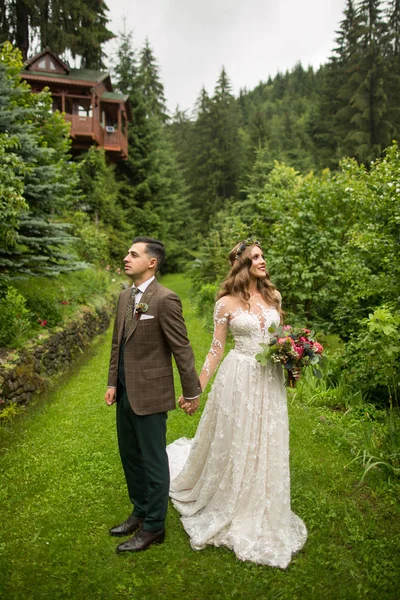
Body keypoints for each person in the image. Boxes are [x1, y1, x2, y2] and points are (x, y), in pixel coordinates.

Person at [167, 240, 307, 568]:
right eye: (255, 256)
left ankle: (260, 500)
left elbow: (280, 337)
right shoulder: (226, 303)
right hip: (238, 377)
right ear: (242, 264)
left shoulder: (274, 297)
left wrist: (293, 359)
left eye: (262, 255)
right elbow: (216, 349)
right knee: (236, 439)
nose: (262, 260)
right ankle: (228, 498)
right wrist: (195, 389)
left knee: (265, 441)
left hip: (269, 382)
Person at [105, 237, 201, 554]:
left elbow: (182, 349)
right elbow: (117, 345)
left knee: (153, 461)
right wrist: (111, 383)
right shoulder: (124, 297)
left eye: (133, 254)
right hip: (125, 393)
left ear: (152, 262)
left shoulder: (166, 299)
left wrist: (191, 392)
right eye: (127, 252)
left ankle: (154, 527)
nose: (126, 257)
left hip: (152, 392)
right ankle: (140, 510)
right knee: (130, 457)